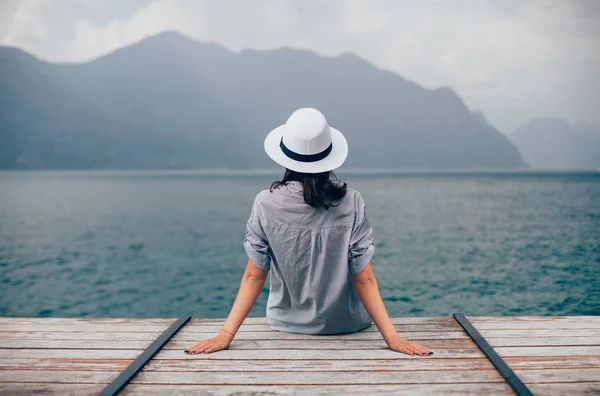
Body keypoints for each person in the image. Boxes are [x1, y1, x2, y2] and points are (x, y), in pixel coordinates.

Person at [185, 108, 432, 357]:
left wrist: (225, 335)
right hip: (347, 326)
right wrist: (393, 339)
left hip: (285, 326)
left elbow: (253, 276)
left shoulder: (264, 203)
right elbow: (364, 278)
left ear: (284, 156)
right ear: (329, 156)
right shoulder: (352, 202)